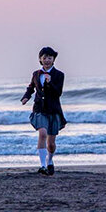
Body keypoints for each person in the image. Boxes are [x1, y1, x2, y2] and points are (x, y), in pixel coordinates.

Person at [21, 46, 67, 175]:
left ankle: (49, 160)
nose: (47, 60)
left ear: (53, 59)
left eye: (50, 58)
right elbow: (31, 87)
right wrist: (26, 97)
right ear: (40, 59)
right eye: (44, 58)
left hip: (53, 110)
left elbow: (58, 93)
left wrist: (49, 82)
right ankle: (42, 166)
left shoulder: (59, 75)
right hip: (39, 109)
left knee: (51, 144)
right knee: (42, 134)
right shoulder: (36, 74)